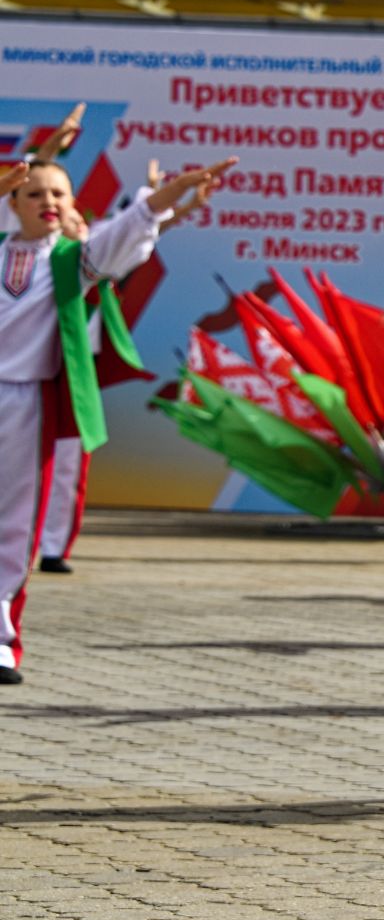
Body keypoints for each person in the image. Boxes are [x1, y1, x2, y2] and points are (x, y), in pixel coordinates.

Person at [1, 149, 234, 685]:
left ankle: (2, 640)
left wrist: (169, 196)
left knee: (14, 524)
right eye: (34, 192)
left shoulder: (71, 258)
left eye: (59, 193)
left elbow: (127, 230)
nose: (49, 202)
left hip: (25, 401)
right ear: (11, 200)